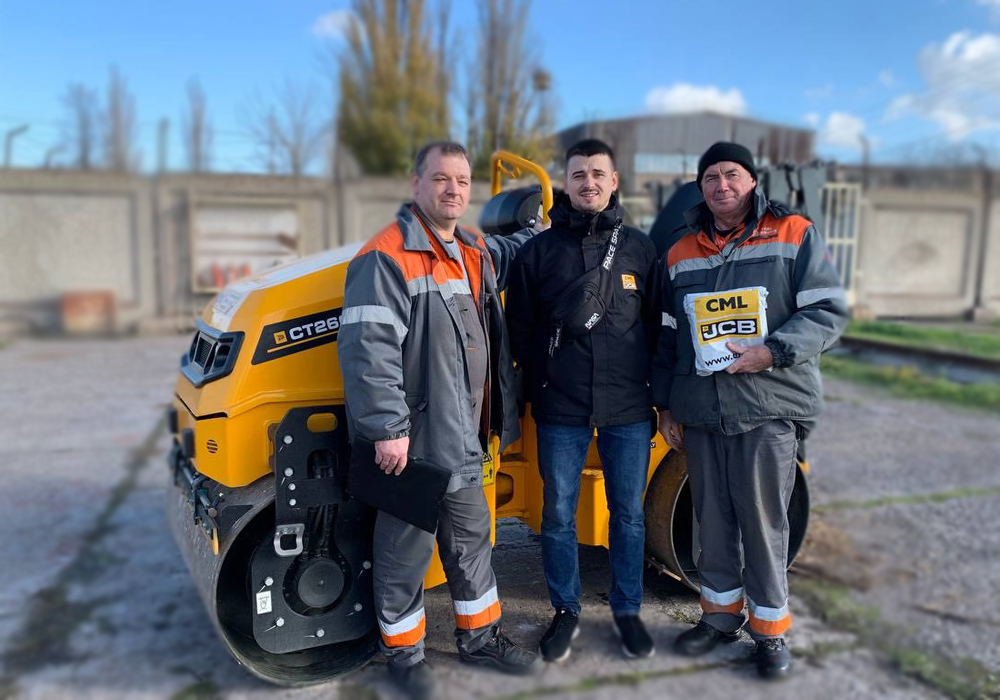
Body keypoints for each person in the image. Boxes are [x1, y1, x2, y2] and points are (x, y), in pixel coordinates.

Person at [338, 141, 538, 699]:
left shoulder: (471, 249)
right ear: (416, 184)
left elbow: (508, 251)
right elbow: (368, 350)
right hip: (416, 439)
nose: (454, 190)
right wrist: (388, 430)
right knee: (405, 550)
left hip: (464, 435)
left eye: (462, 181)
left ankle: (481, 638)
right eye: (441, 178)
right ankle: (404, 655)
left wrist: (541, 230)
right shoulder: (385, 256)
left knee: (472, 541)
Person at [652, 142, 848, 679]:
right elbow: (669, 334)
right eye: (711, 177)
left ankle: (769, 632)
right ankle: (719, 619)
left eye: (732, 174)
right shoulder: (680, 251)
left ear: (752, 181)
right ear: (700, 187)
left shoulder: (794, 233)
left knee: (763, 524)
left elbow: (826, 311)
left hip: (767, 406)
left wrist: (771, 352)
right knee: (712, 521)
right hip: (702, 412)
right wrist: (666, 404)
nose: (722, 185)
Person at [506, 139, 661, 662]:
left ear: (614, 181)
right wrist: (544, 383)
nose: (588, 182)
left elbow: (656, 326)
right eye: (578, 174)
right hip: (561, 410)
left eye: (598, 173)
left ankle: (628, 611)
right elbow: (519, 331)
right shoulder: (536, 253)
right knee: (557, 514)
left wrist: (657, 395)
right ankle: (565, 609)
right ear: (564, 185)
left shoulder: (641, 249)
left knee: (629, 515)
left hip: (629, 409)